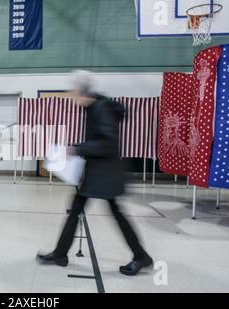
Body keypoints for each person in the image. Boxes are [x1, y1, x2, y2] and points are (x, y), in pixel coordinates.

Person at [37, 70, 153, 276]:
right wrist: (78, 147)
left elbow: (109, 143)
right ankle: (60, 254)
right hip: (97, 172)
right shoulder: (93, 108)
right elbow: (98, 141)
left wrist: (77, 149)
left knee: (117, 215)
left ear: (82, 92)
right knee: (76, 210)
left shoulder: (100, 108)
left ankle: (141, 257)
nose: (73, 98)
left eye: (74, 93)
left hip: (106, 174)